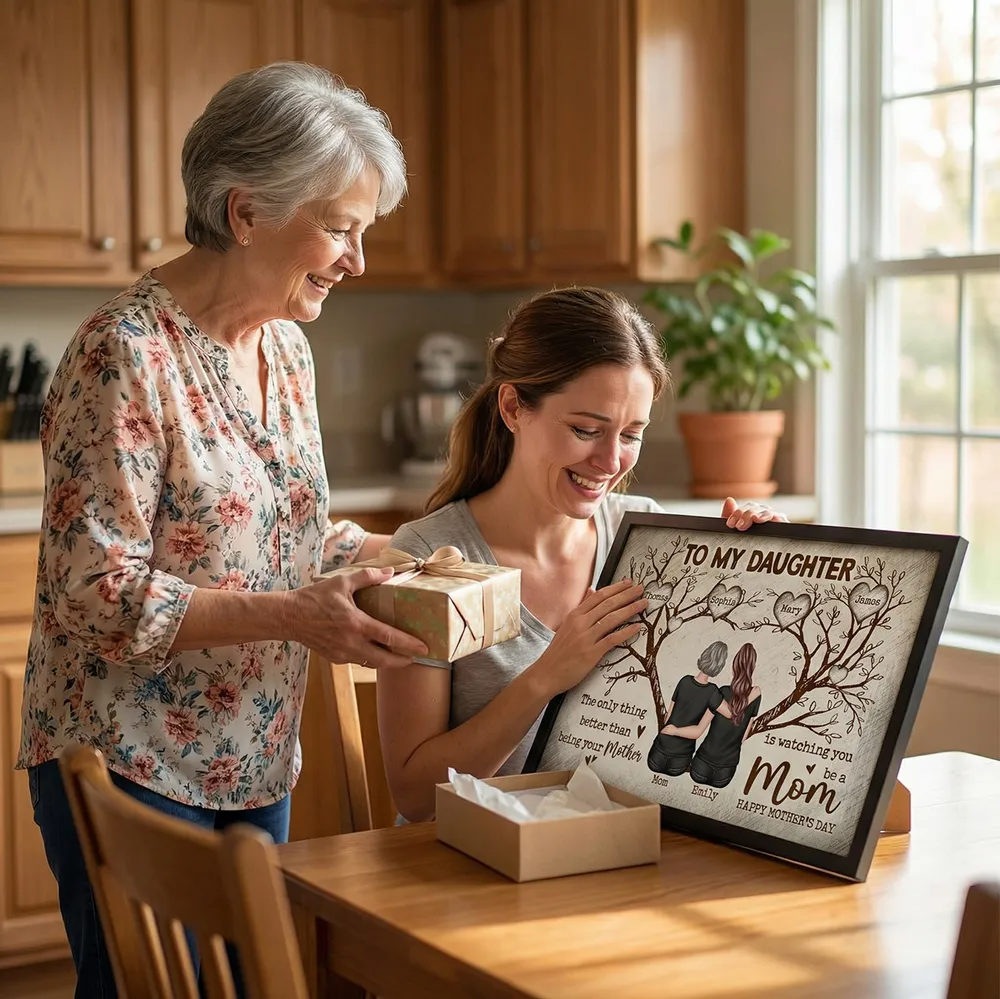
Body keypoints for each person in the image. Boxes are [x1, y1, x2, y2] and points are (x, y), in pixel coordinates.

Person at [17, 62, 428, 999]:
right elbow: (97, 594)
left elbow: (284, 533)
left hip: (253, 754)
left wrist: (398, 554)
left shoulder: (287, 347)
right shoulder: (124, 353)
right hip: (128, 759)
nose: (357, 261)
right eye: (341, 228)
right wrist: (295, 615)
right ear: (246, 213)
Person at [377, 287, 787, 823]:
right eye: (586, 430)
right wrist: (546, 675)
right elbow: (414, 797)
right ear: (513, 408)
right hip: (476, 857)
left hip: (618, 845)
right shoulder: (429, 556)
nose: (611, 461)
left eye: (631, 435)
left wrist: (768, 564)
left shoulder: (645, 536)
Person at [663, 642, 763, 789]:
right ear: (753, 668)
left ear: (733, 666)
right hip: (726, 773)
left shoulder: (721, 692)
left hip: (701, 766)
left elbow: (701, 727)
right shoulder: (755, 696)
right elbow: (743, 737)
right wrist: (750, 698)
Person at [646, 640, 729, 777]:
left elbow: (668, 716)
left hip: (656, 755)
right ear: (720, 665)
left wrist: (671, 730)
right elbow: (699, 731)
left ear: (704, 655)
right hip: (679, 762)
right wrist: (676, 731)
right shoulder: (713, 693)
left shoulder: (684, 680)